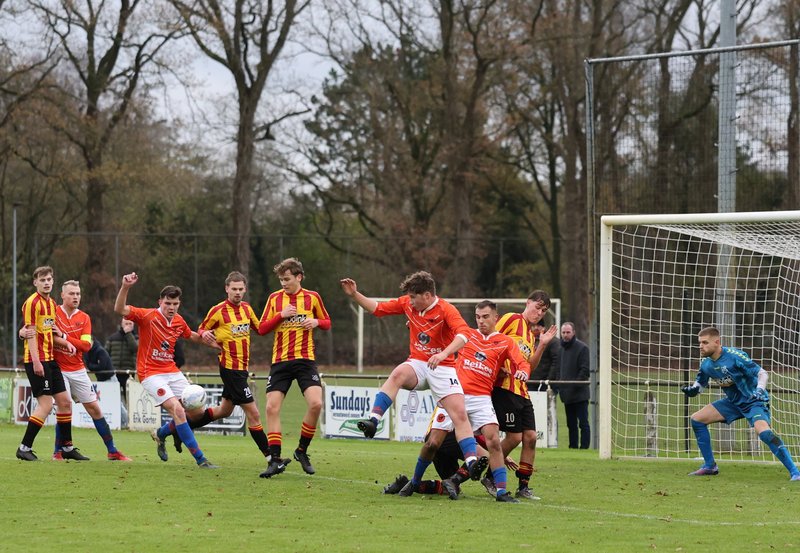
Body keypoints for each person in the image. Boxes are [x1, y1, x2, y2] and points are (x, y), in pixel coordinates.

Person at [340, 271, 487, 480]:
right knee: (398, 373)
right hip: (418, 363)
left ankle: (472, 463)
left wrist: (444, 353)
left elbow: (464, 334)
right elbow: (378, 309)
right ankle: (374, 420)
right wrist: (355, 294)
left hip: (443, 367)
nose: (409, 301)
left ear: (426, 295)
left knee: (460, 416)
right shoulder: (408, 305)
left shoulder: (446, 309)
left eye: (413, 297)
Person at [400, 301, 531, 503]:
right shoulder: (466, 335)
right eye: (478, 317)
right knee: (433, 443)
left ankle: (501, 492)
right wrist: (417, 326)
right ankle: (415, 482)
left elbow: (521, 362)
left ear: (496, 317)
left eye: (485, 317)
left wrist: (523, 371)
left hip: (481, 398)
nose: (481, 321)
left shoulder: (505, 342)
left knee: (494, 441)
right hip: (455, 393)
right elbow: (437, 332)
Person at [170, 271, 273, 474]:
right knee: (254, 413)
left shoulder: (246, 309)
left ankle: (175, 429)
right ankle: (272, 458)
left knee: (223, 411)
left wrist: (280, 317)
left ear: (245, 289)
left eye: (240, 289)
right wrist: (205, 333)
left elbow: (260, 329)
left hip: (242, 369)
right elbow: (201, 329)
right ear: (227, 288)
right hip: (230, 369)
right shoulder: (218, 310)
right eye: (233, 289)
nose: (237, 292)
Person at [114, 272, 219, 468]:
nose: (171, 307)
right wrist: (125, 287)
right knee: (178, 410)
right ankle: (201, 459)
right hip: (150, 373)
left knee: (197, 412)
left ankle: (161, 434)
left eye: (175, 304)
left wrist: (213, 343)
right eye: (167, 303)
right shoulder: (147, 316)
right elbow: (119, 309)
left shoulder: (178, 321)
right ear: (160, 302)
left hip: (171, 371)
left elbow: (192, 336)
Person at [682, 326, 800, 480]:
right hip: (733, 403)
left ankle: (795, 473)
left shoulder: (734, 356)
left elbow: (762, 373)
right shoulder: (706, 364)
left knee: (764, 433)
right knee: (697, 419)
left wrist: (759, 391)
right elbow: (700, 385)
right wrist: (693, 390)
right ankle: (710, 466)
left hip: (753, 401)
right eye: (700, 343)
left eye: (705, 342)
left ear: (717, 342)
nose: (701, 346)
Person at [258, 258, 331, 477]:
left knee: (316, 404)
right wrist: (280, 315)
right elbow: (261, 329)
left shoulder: (312, 297)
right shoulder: (274, 299)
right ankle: (275, 460)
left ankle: (301, 451)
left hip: (305, 360)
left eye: (287, 279)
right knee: (271, 407)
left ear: (298, 277)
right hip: (280, 361)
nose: (283, 283)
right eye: (281, 279)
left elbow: (327, 321)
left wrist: (316, 322)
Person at [48, 280, 131, 460]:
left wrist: (63, 336)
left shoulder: (84, 318)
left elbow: (86, 346)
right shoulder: (52, 313)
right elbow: (47, 338)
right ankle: (58, 452)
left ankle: (112, 450)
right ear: (62, 295)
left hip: (78, 369)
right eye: (71, 293)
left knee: (94, 408)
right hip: (58, 369)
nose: (76, 297)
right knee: (65, 407)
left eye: (78, 293)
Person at [492, 290, 557, 498]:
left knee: (530, 437)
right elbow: (489, 339)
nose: (539, 313)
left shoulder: (530, 334)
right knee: (514, 436)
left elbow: (530, 367)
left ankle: (523, 487)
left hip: (521, 390)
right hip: (504, 387)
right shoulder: (511, 319)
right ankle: (490, 474)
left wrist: (543, 344)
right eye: (537, 307)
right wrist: (496, 364)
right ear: (527, 303)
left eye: (543, 311)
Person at [15, 266, 83, 461]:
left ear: (53, 282)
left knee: (65, 402)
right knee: (45, 404)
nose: (46, 282)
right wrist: (36, 362)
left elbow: (50, 333)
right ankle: (24, 447)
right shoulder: (32, 303)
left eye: (49, 279)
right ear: (35, 282)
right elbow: (30, 333)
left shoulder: (52, 304)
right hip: (37, 360)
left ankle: (67, 447)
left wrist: (66, 343)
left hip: (50, 360)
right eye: (42, 279)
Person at [555, 321, 591, 449]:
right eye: (563, 332)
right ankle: (573, 447)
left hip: (580, 394)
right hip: (566, 395)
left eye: (568, 332)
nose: (565, 335)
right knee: (571, 424)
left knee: (583, 423)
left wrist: (572, 385)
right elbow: (558, 369)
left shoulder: (583, 348)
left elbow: (584, 370)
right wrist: (560, 386)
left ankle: (585, 448)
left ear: (574, 332)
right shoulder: (560, 349)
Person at [105, 318, 137, 394]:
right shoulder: (112, 338)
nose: (128, 326)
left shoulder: (137, 338)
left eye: (130, 324)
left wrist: (128, 334)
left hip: (129, 372)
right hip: (114, 372)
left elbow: (135, 348)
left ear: (133, 325)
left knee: (129, 396)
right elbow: (106, 353)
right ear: (122, 324)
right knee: (114, 395)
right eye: (126, 324)